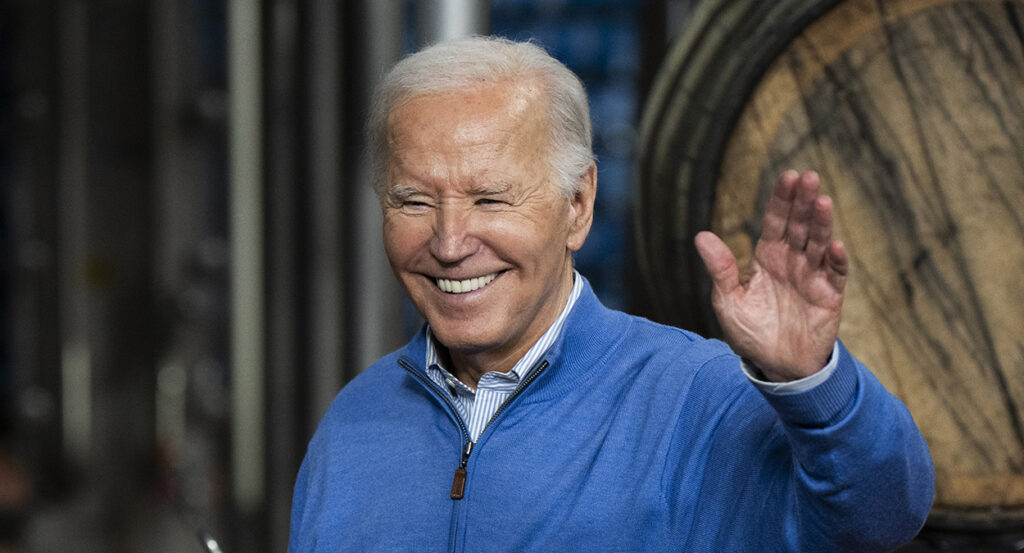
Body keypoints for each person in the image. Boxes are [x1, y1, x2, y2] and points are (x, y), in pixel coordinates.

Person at [288, 36, 934, 552]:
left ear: (578, 204)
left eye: (491, 199)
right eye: (413, 201)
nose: (451, 242)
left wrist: (814, 385)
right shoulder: (354, 423)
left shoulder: (695, 399)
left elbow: (881, 517)